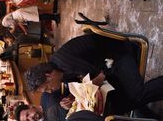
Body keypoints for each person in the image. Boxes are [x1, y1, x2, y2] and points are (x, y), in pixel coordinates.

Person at [24, 34, 163, 114]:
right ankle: (151, 109)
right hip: (106, 66)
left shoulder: (64, 62)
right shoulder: (59, 72)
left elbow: (100, 77)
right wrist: (73, 97)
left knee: (136, 94)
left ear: (48, 76)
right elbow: (85, 81)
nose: (50, 91)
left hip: (118, 54)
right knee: (118, 105)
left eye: (47, 88)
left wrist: (77, 98)